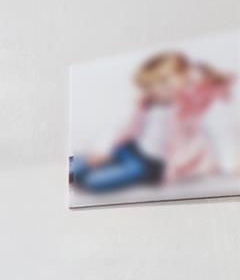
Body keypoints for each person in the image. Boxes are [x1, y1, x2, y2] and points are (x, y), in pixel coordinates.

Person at [71, 51, 234, 193]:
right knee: (88, 160)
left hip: (150, 164)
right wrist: (104, 149)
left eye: (163, 81)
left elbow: (218, 131)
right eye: (148, 85)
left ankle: (80, 175)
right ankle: (74, 167)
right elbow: (124, 128)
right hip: (130, 149)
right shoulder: (147, 105)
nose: (156, 89)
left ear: (185, 77)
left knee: (94, 182)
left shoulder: (191, 108)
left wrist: (227, 164)